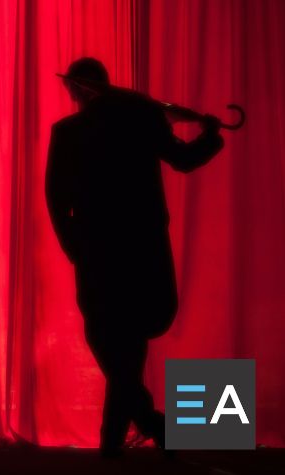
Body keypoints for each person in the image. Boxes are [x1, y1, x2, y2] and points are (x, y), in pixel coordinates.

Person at [45, 58, 224, 457]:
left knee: (111, 343)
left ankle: (132, 433)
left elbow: (56, 199)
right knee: (127, 346)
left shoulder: (70, 131)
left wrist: (74, 247)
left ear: (76, 90)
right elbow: (184, 159)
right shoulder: (143, 118)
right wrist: (210, 136)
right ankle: (142, 431)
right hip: (141, 251)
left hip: (100, 254)